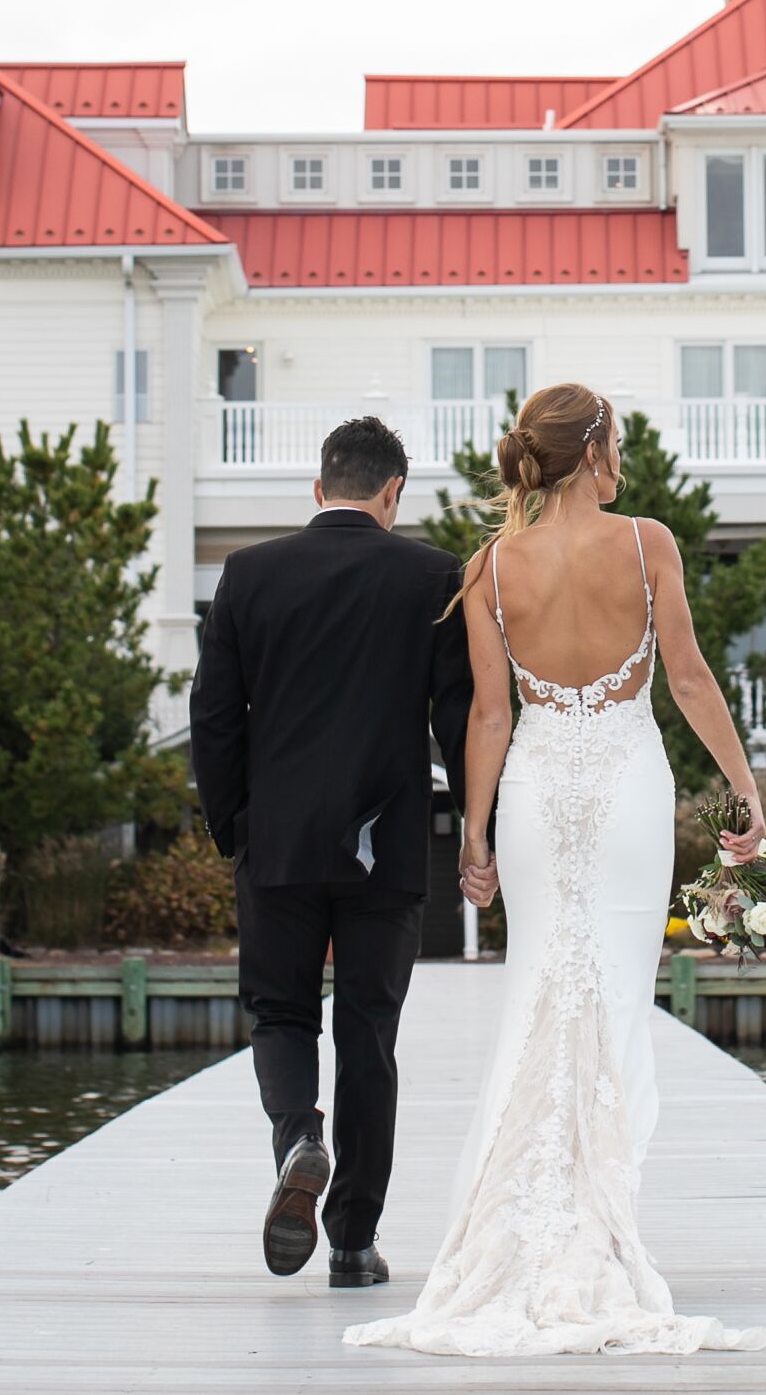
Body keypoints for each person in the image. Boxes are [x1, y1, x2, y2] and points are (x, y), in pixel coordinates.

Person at [346, 382, 766, 1357]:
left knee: (541, 991)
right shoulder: (645, 543)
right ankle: (596, 1228)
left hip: (538, 796)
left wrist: (476, 835)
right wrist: (743, 793)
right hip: (625, 790)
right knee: (612, 1002)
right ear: (597, 451)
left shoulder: (493, 567)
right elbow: (690, 676)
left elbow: (488, 717)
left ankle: (529, 1230)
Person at [190, 414, 472, 1290]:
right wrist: (477, 827)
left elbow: (213, 719)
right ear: (394, 493)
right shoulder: (432, 577)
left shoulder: (248, 574)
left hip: (274, 840)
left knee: (280, 1014)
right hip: (385, 847)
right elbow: (457, 720)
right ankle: (352, 1242)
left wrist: (234, 826)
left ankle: (297, 1140)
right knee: (368, 1039)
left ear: (319, 490)